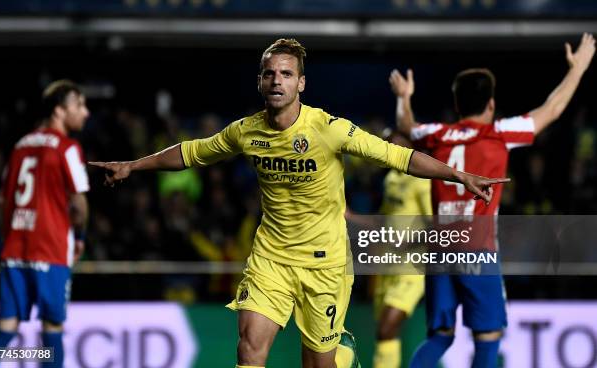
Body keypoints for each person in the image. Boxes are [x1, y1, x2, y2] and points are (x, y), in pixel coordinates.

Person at [90, 38, 507, 368]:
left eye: (286, 74)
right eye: (269, 73)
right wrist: (133, 165)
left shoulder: (329, 129)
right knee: (249, 349)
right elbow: (191, 152)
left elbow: (398, 155)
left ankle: (340, 354)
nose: (277, 80)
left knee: (319, 363)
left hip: (325, 264)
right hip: (271, 256)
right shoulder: (245, 131)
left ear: (301, 83)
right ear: (259, 81)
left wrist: (458, 175)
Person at [388, 33, 595, 368]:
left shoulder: (437, 134)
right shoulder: (499, 134)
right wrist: (578, 68)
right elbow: (553, 109)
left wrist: (404, 97)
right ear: (491, 104)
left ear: (457, 106)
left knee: (439, 337)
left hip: (440, 251)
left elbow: (406, 125)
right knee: (487, 340)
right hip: (477, 249)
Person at [0, 80, 91, 368]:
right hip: (51, 249)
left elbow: (1, 202)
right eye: (79, 105)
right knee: (52, 332)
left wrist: (10, 237)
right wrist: (79, 236)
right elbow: (78, 203)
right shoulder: (67, 147)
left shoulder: (20, 145)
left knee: (5, 329)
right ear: (59, 110)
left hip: (16, 249)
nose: (86, 112)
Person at [373, 131, 431, 368]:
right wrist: (350, 216)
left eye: (394, 142)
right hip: (389, 265)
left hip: (413, 268)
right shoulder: (391, 179)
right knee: (385, 332)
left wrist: (405, 244)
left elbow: (437, 226)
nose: (390, 147)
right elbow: (384, 220)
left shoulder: (422, 180)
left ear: (409, 145)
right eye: (387, 143)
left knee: (387, 327)